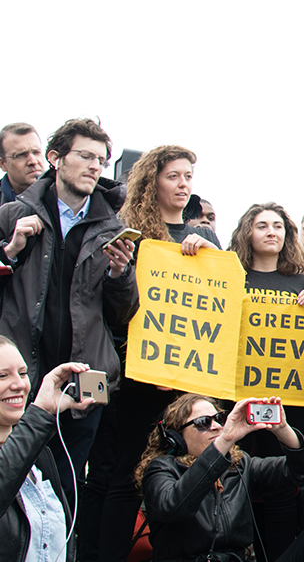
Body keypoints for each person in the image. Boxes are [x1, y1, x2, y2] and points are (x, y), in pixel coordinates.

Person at [83, 144, 220, 562]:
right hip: (141, 373)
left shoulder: (207, 237)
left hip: (191, 377)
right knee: (126, 474)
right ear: (152, 181)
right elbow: (116, 304)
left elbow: (222, 297)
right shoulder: (132, 235)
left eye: (188, 177)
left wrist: (211, 257)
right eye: (173, 176)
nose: (183, 185)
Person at [0, 118, 137, 504]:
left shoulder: (115, 229)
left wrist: (120, 273)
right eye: (85, 155)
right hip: (21, 382)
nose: (95, 165)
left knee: (64, 493)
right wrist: (8, 252)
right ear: (56, 158)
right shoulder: (12, 215)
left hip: (82, 385)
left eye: (101, 158)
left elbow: (122, 314)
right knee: (12, 488)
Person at [136, 393, 304, 562]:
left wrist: (282, 430)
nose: (216, 426)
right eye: (202, 423)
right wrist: (225, 441)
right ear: (177, 438)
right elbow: (175, 506)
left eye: (219, 419)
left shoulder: (240, 464)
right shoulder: (161, 469)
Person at [227, 202, 304, 560]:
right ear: (246, 233)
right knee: (242, 479)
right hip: (240, 401)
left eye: (278, 226)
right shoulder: (232, 279)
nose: (271, 232)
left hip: (289, 405)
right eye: (262, 225)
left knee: (283, 484)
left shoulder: (301, 282)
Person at [0, 338, 96, 562]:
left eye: (23, 373)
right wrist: (40, 413)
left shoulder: (39, 456)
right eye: (2, 376)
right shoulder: (32, 437)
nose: (19, 385)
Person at [0, 122, 45, 204]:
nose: (33, 161)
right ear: (2, 164)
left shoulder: (65, 193)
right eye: (21, 155)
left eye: (36, 152)